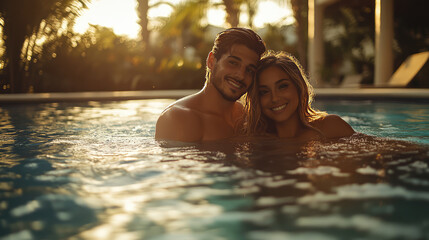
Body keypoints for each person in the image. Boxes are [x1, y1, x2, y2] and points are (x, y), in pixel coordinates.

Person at [155, 28, 266, 142]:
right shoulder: (179, 119)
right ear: (211, 61)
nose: (241, 75)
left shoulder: (247, 117)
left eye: (249, 70)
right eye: (233, 63)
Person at [244, 51, 355, 141]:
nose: (275, 98)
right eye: (264, 92)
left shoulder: (330, 127)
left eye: (282, 86)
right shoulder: (256, 141)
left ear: (298, 87)